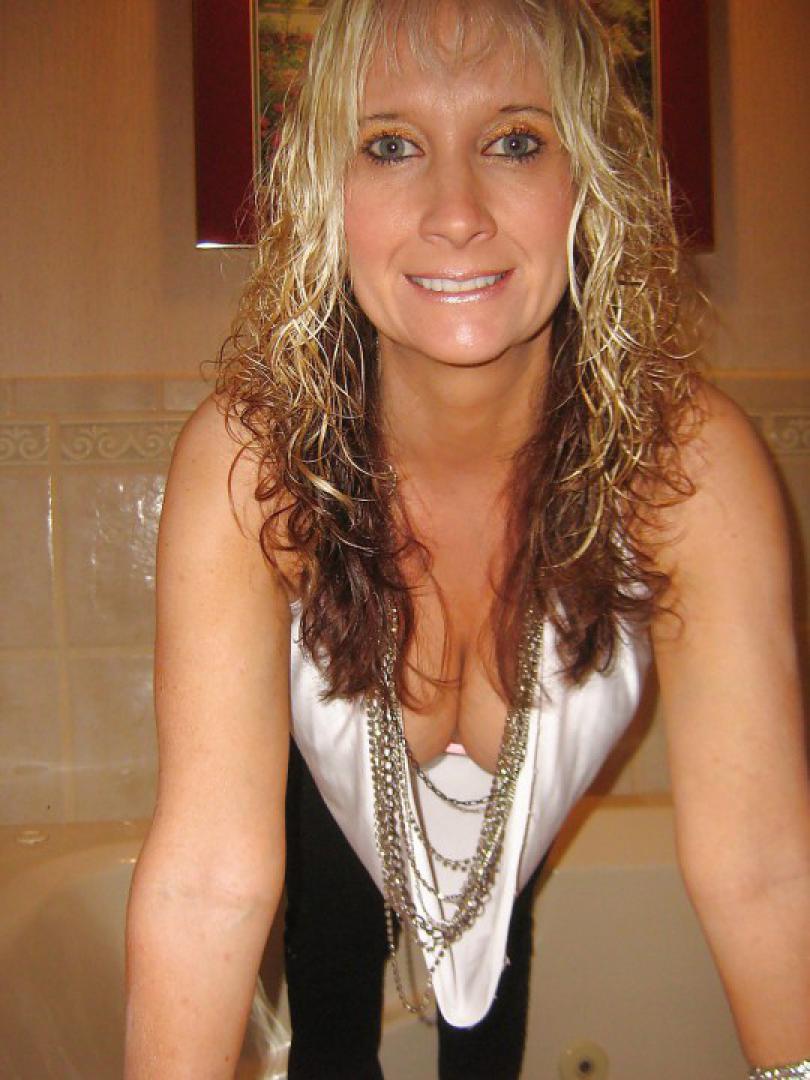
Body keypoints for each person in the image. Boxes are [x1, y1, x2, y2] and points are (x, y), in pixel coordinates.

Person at [124, 0, 810, 1077]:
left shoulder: (690, 470)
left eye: (516, 142)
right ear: (325, 189)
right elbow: (207, 882)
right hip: (326, 795)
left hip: (514, 833)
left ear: (589, 181)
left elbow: (766, 869)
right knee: (333, 994)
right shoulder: (251, 465)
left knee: (489, 982)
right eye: (392, 145)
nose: (455, 213)